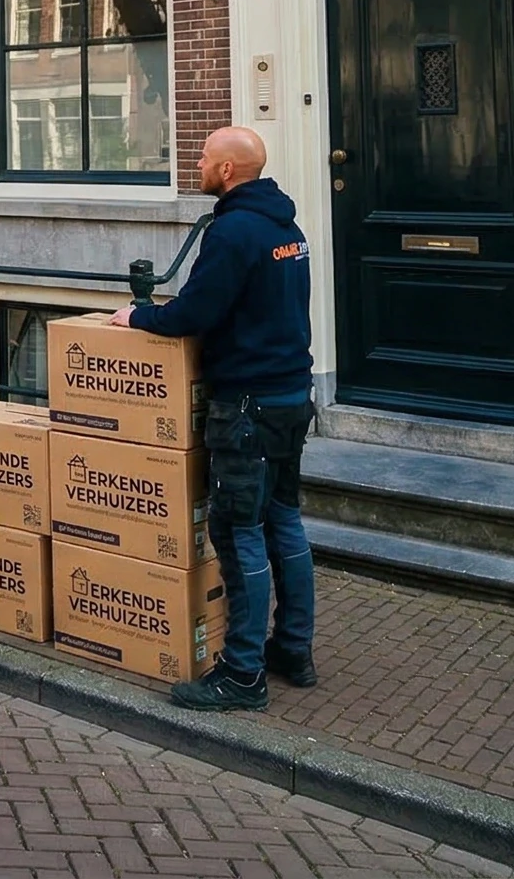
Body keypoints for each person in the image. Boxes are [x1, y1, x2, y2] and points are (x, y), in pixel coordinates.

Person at [109, 125, 315, 713]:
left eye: (202, 157)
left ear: (226, 170)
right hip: (291, 395)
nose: (196, 163)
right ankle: (293, 648)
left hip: (247, 404)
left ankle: (243, 673)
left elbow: (195, 312)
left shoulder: (233, 231)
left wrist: (138, 316)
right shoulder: (288, 228)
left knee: (237, 529)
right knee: (284, 520)